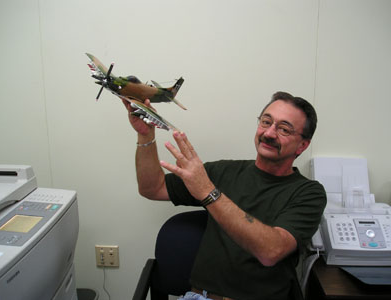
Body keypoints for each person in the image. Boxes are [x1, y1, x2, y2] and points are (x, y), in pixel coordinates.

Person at [123, 92, 326, 300]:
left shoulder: (308, 193)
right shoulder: (223, 172)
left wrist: (208, 192)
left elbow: (271, 251)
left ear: (303, 145)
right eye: (266, 122)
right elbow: (152, 188)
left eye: (284, 129)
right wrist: (146, 136)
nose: (270, 133)